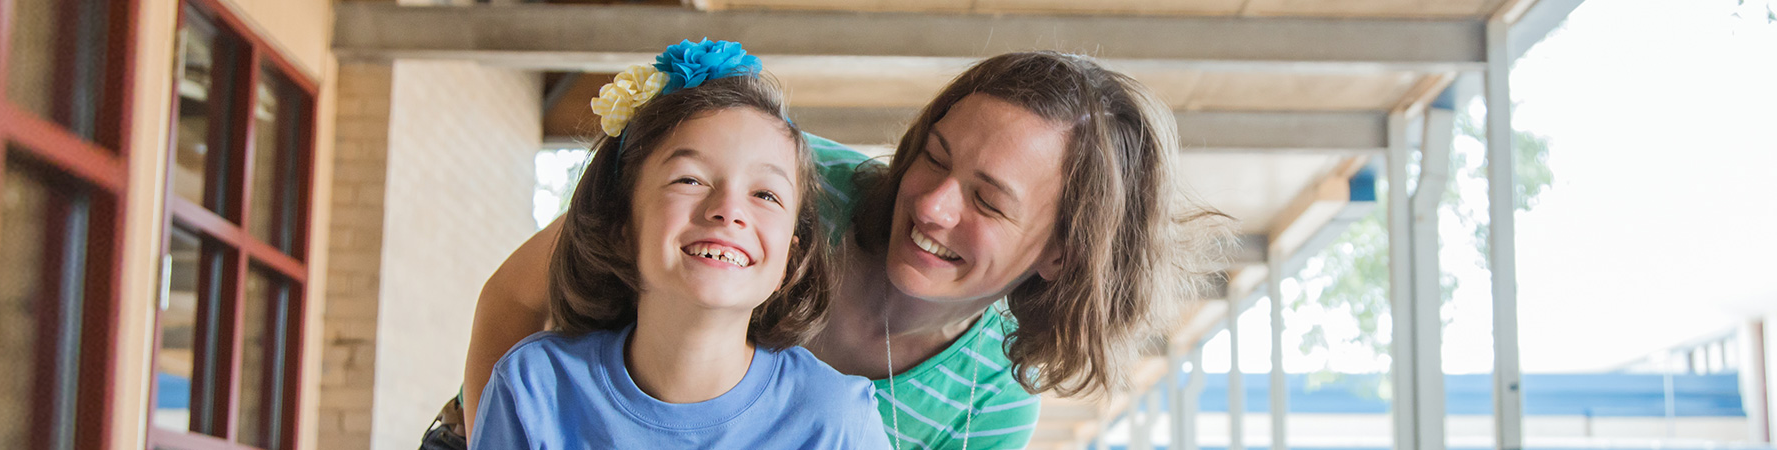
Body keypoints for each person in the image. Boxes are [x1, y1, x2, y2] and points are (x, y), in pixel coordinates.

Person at [463, 50, 1231, 449]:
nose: (929, 202)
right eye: (932, 154)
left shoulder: (984, 406)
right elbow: (512, 299)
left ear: (1062, 254)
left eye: (988, 200)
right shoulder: (776, 184)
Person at [466, 39, 890, 449]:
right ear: (621, 226)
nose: (728, 210)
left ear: (790, 260)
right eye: (690, 179)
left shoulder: (838, 422)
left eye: (765, 195)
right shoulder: (534, 386)